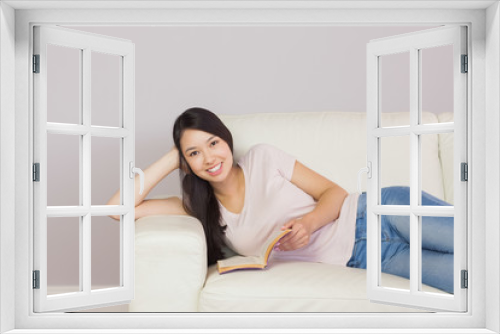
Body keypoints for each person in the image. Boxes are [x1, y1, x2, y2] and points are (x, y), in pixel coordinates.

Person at [107, 107, 454, 294]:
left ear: (226, 140)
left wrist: (309, 224)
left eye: (213, 143)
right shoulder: (196, 207)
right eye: (195, 153)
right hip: (368, 257)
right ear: (187, 163)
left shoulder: (263, 157)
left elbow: (334, 193)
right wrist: (172, 156)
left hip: (378, 211)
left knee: (480, 244)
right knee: (465, 279)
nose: (210, 157)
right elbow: (116, 209)